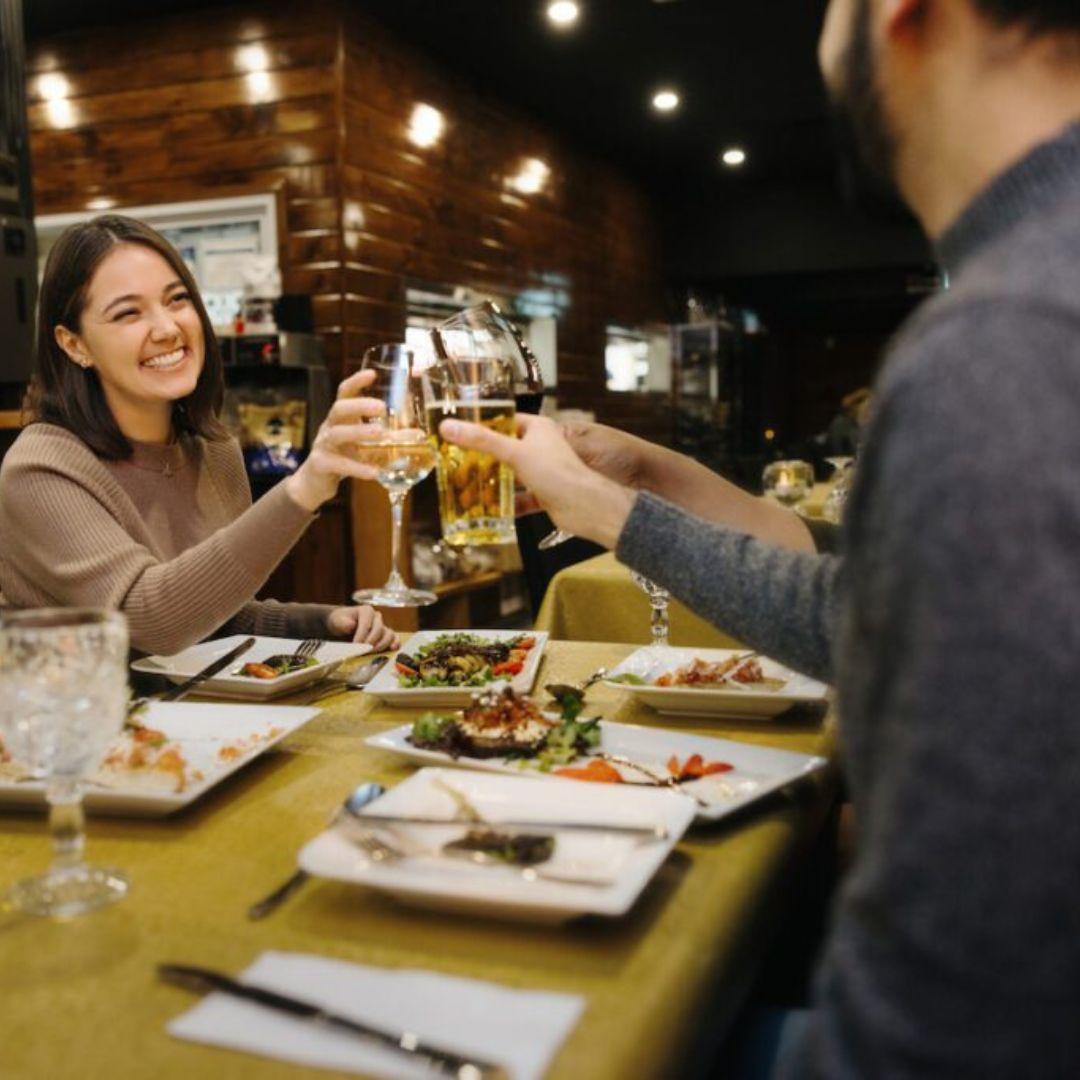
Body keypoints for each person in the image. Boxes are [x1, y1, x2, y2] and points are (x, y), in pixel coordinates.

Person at [441, 0, 1080, 1074]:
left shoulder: (1005, 342)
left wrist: (603, 518)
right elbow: (871, 618)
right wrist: (650, 488)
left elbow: (963, 1001)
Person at [0, 215, 397, 656]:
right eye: (128, 313)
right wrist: (304, 487)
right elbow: (150, 622)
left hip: (191, 720)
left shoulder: (213, 450)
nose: (167, 328)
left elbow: (212, 617)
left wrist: (319, 623)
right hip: (71, 720)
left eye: (177, 299)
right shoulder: (40, 470)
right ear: (74, 344)